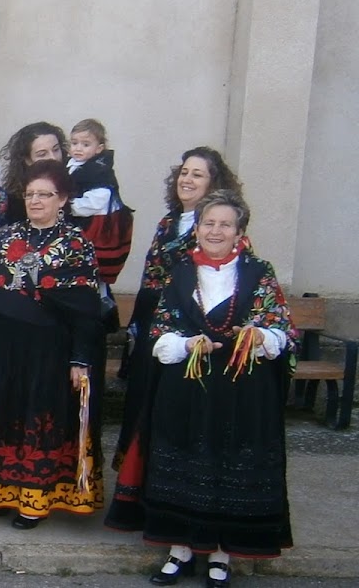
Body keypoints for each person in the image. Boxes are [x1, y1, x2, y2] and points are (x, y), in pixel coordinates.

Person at [120, 190, 295, 588]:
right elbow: (160, 332)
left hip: (241, 392)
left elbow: (282, 330)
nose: (216, 231)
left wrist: (257, 335)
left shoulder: (258, 272)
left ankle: (220, 555)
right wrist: (185, 344)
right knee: (182, 464)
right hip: (186, 387)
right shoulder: (179, 273)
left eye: (226, 224)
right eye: (209, 223)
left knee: (226, 463)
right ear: (196, 229)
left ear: (240, 232)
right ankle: (178, 551)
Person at [0, 160, 103, 530]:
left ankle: (32, 500)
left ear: (62, 198)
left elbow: (85, 309)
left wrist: (80, 359)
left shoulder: (77, 244)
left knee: (34, 421)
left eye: (44, 194)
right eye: (30, 194)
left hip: (46, 352)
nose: (35, 201)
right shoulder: (8, 235)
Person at [105, 148, 242, 534]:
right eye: (184, 172)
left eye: (198, 175)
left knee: (175, 414)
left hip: (194, 331)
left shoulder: (218, 227)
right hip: (154, 326)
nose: (188, 180)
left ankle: (175, 501)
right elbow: (153, 279)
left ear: (214, 183)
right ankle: (137, 499)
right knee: (144, 409)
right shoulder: (170, 222)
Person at [66, 118, 134, 299]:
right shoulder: (71, 164)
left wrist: (66, 205)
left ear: (99, 148)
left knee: (95, 268)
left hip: (98, 226)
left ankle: (101, 300)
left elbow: (93, 203)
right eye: (74, 143)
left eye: (85, 144)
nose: (78, 148)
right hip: (82, 225)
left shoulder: (99, 172)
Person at [0, 121, 68, 224]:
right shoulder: (16, 198)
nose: (53, 158)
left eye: (56, 149)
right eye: (42, 154)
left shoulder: (77, 177)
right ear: (28, 160)